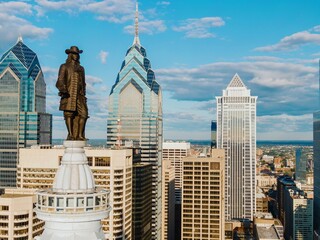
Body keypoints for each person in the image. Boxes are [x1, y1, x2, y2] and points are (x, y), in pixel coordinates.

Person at [56, 46, 88, 140]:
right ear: (70, 55)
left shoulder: (81, 68)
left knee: (84, 114)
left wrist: (84, 93)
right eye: (74, 54)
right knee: (69, 114)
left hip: (79, 96)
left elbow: (83, 82)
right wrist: (63, 89)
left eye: (77, 54)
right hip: (69, 95)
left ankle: (80, 135)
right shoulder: (64, 66)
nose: (76, 56)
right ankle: (70, 134)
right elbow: (60, 80)